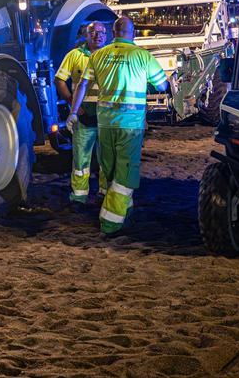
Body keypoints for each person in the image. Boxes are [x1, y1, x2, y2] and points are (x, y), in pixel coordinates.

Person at [69, 16, 170, 234]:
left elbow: (82, 84)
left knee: (109, 167)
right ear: (132, 33)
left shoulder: (98, 55)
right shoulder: (143, 56)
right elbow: (162, 85)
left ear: (113, 32)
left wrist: (73, 112)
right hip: (130, 124)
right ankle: (111, 220)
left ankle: (123, 207)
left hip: (105, 122)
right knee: (126, 172)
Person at [55, 21, 108, 208]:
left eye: (101, 32)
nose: (97, 36)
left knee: (106, 158)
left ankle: (104, 192)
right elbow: (59, 79)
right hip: (84, 115)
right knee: (81, 159)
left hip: (105, 115)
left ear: (107, 35)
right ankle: (79, 195)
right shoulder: (75, 55)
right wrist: (72, 103)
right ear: (86, 35)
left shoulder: (109, 56)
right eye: (93, 32)